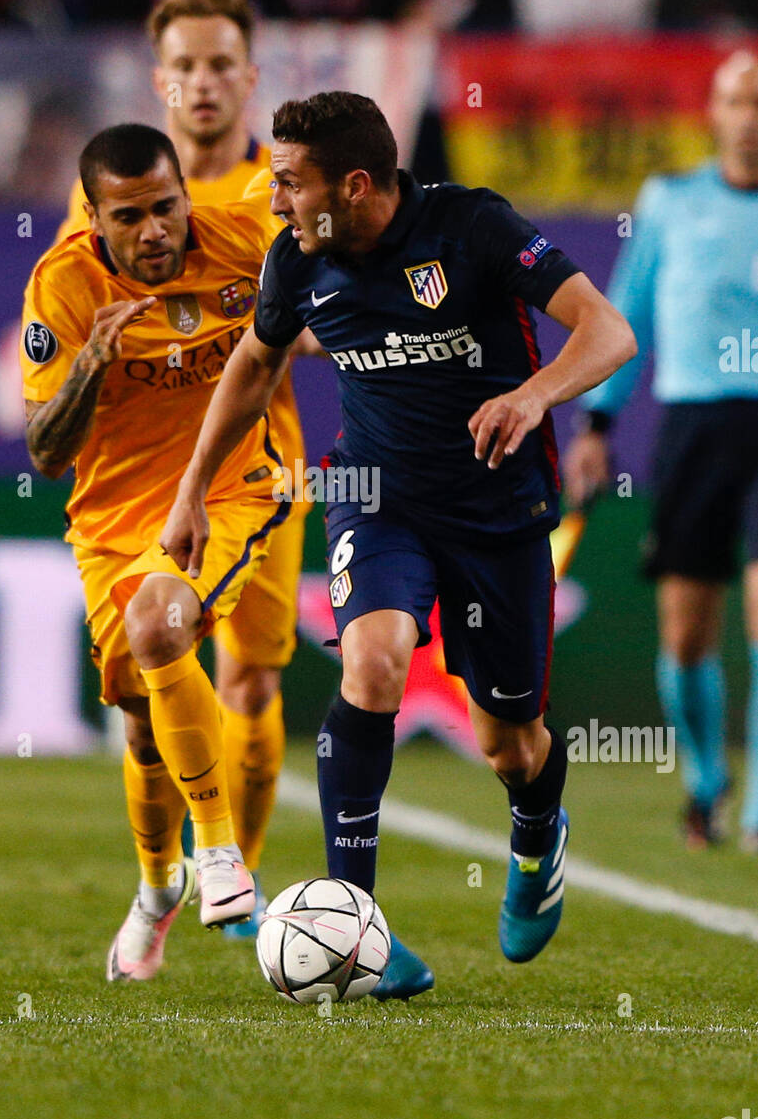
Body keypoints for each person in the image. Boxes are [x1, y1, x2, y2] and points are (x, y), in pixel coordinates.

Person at [159, 91, 636, 980]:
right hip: (374, 497)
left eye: (291, 183)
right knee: (372, 662)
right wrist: (190, 491)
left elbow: (609, 332)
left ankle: (536, 836)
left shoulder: (473, 229)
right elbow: (254, 365)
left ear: (353, 184)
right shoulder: (295, 261)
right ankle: (357, 930)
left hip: (498, 515)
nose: (275, 201)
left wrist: (532, 396)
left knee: (510, 744)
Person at [58, 0, 308, 940]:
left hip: (254, 466)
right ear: (160, 81)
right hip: (131, 482)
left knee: (249, 678)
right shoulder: (104, 201)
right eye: (186, 66)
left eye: (220, 65)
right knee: (145, 686)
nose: (203, 83)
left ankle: (231, 887)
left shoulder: (272, 194)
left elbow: (322, 315)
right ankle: (166, 877)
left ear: (249, 79)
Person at [22, 123, 287, 979]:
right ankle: (155, 888)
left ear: (184, 194)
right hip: (110, 522)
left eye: (166, 207)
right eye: (129, 217)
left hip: (227, 493)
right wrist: (89, 364)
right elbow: (46, 453)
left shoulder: (246, 238)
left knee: (161, 621)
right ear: (95, 218)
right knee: (141, 731)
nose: (155, 231)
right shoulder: (63, 283)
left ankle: (217, 851)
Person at [566, 51, 758, 852]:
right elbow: (627, 311)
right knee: (684, 635)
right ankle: (707, 784)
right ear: (713, 115)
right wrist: (598, 425)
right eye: (735, 103)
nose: (749, 118)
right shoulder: (670, 201)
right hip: (695, 428)